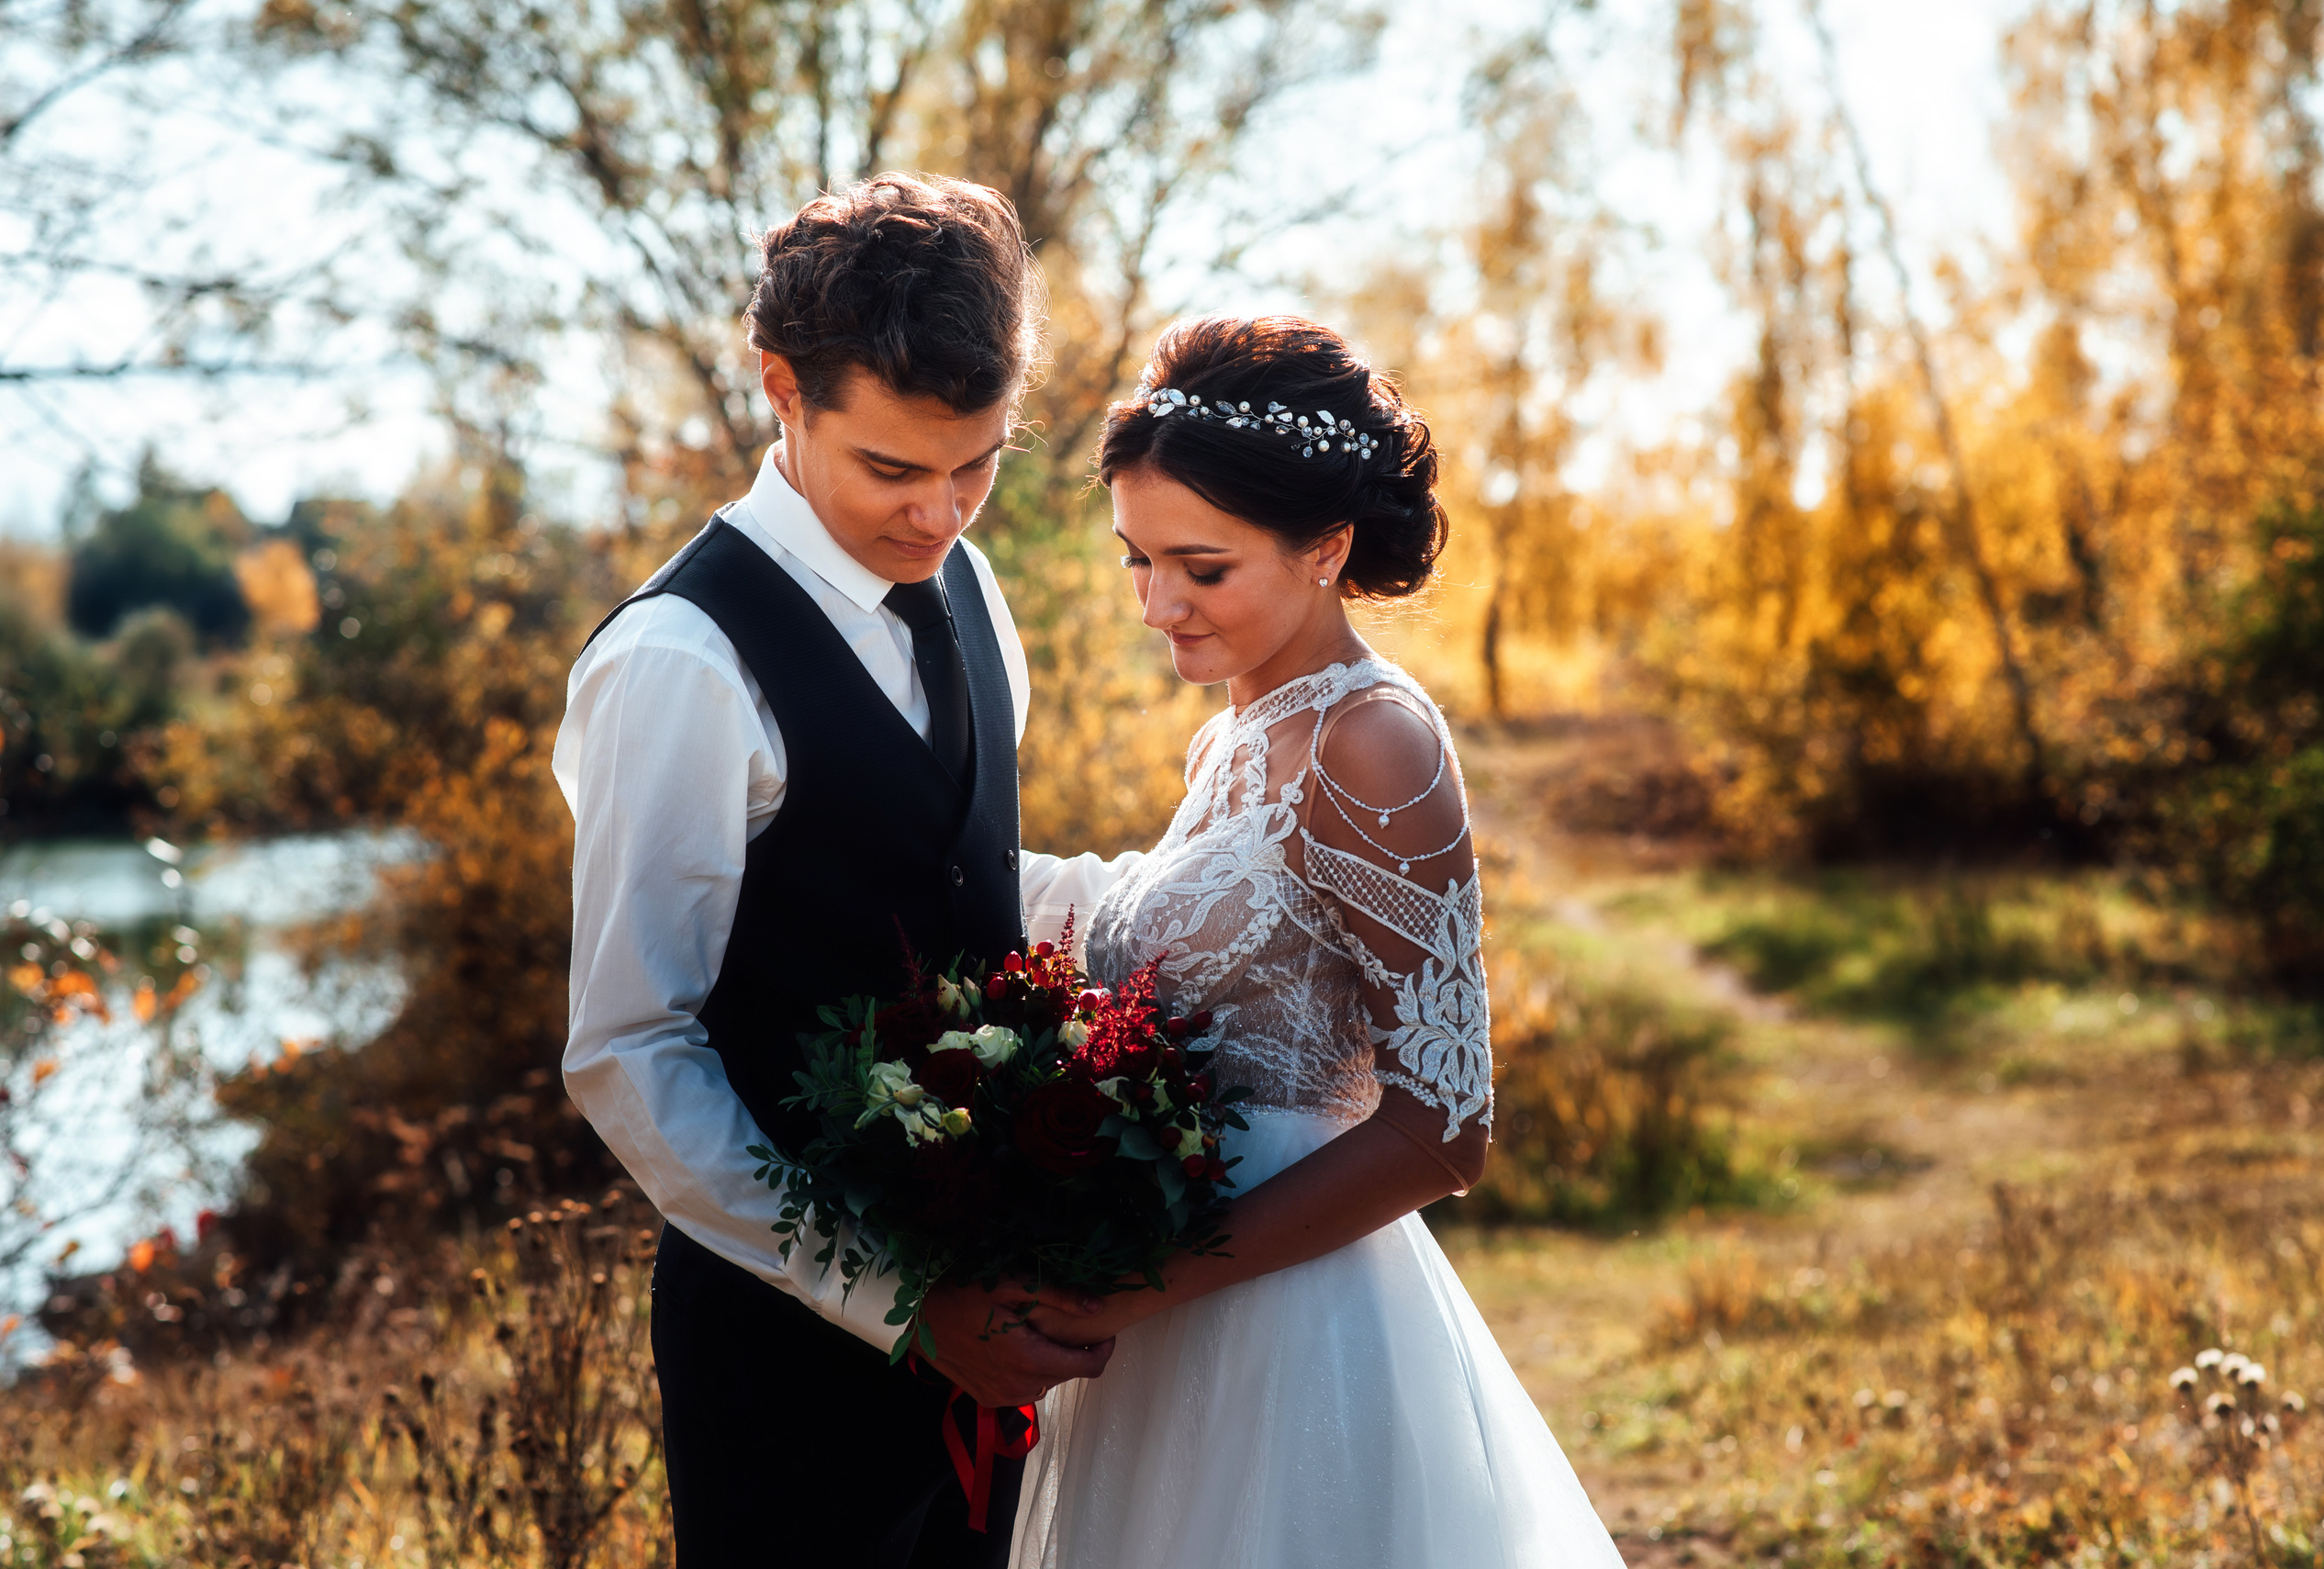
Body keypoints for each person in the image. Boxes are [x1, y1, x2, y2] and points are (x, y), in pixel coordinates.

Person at [553, 173, 1115, 1569]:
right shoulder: (678, 661)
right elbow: (632, 1049)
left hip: (993, 1321)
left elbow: (948, 871)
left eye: (976, 465)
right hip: (782, 1357)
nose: (940, 516)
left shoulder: (971, 587)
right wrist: (900, 1300)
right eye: (891, 470)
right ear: (781, 391)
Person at [1011, 316, 1626, 1568]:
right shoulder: (1235, 734)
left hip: (1287, 1332)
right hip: (1166, 1316)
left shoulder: (1373, 743)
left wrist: (1146, 1281)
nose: (1158, 604)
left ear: (1326, 549)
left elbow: (1444, 1125)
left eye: (1202, 567)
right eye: (1138, 560)